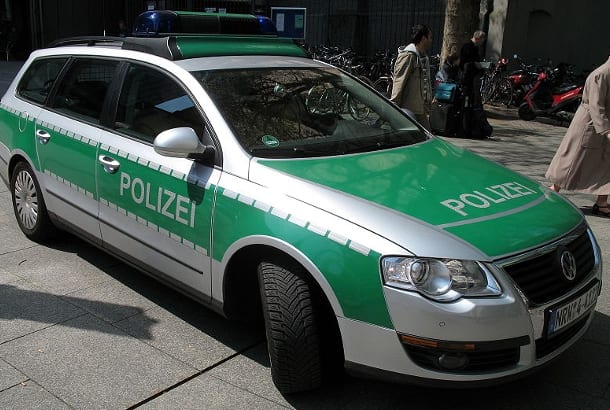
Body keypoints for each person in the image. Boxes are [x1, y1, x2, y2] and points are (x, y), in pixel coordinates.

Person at [546, 57, 610, 216]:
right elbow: (596, 105)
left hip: (603, 124)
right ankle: (553, 190)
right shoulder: (601, 74)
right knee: (572, 159)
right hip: (590, 123)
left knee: (606, 164)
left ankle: (602, 202)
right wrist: (607, 130)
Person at [390, 24, 433, 130]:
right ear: (423, 38)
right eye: (430, 37)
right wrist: (393, 107)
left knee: (427, 135)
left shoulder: (423, 57)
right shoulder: (408, 55)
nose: (431, 40)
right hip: (408, 110)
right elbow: (399, 82)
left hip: (420, 109)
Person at [459, 30, 486, 107]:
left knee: (471, 95)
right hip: (467, 77)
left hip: (472, 76)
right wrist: (474, 63)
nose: (482, 42)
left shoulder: (475, 48)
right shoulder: (467, 47)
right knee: (467, 94)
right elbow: (463, 62)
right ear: (478, 38)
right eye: (482, 40)